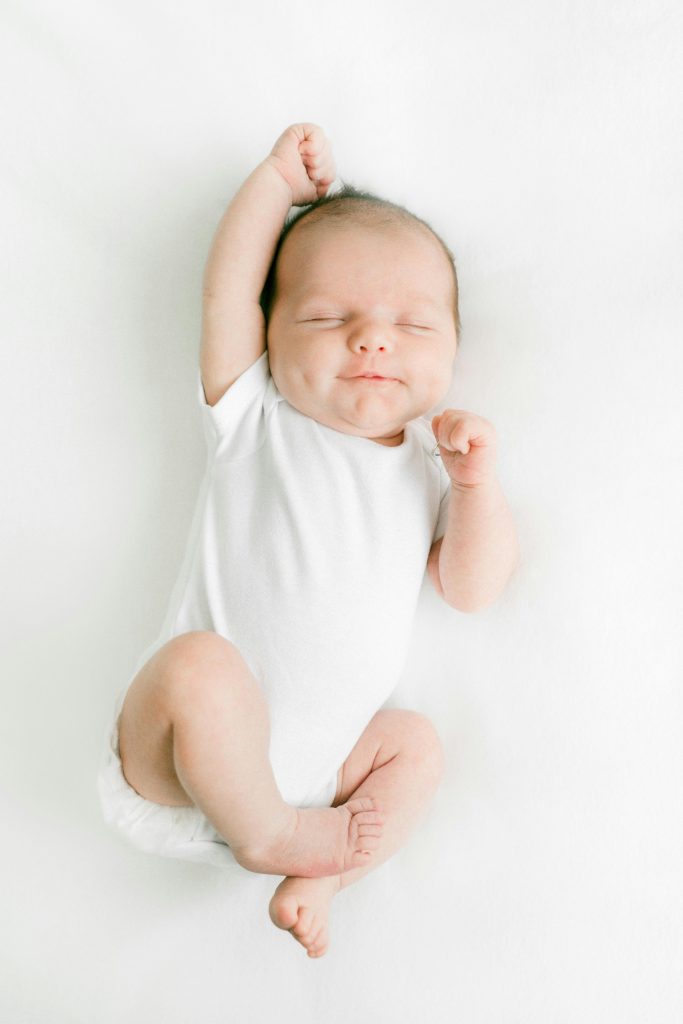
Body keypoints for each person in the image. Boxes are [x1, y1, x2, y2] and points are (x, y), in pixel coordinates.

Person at [97, 122, 519, 958]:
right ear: (270, 336)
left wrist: (476, 490)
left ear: (455, 350)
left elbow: (471, 589)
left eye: (413, 326)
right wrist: (272, 183)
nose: (371, 338)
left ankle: (319, 875)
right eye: (327, 316)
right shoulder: (254, 416)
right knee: (196, 666)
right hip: (181, 768)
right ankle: (267, 838)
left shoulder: (432, 468)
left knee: (416, 747)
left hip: (323, 776)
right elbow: (224, 293)